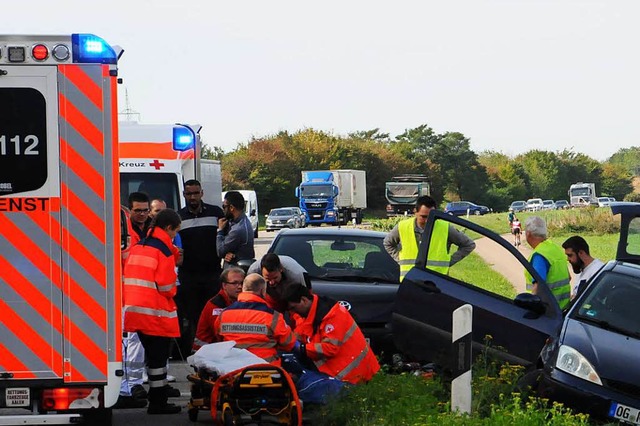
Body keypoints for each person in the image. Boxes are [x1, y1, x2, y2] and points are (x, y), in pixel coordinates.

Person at [123, 209, 182, 415]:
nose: (175, 236)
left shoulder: (139, 246)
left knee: (150, 355)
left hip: (134, 312)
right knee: (158, 361)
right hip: (155, 313)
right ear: (168, 228)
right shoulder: (163, 251)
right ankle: (158, 402)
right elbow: (167, 287)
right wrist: (175, 286)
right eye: (175, 231)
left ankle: (157, 393)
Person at [283, 283, 380, 384]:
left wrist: (301, 348)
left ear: (304, 300)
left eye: (293, 308)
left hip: (356, 377)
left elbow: (330, 348)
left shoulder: (332, 314)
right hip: (342, 377)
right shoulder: (310, 313)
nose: (293, 312)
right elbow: (302, 330)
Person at [176, 179, 225, 358]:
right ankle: (195, 353)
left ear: (202, 193)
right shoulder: (179, 217)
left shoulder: (215, 213)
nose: (193, 197)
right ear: (184, 195)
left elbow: (226, 237)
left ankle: (216, 351)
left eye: (196, 193)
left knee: (215, 314)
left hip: (212, 274)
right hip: (189, 276)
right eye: (189, 194)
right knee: (192, 316)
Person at [383, 195, 476, 281]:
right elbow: (387, 243)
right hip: (411, 281)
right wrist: (401, 259)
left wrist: (449, 262)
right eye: (423, 217)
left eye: (431, 216)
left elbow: (468, 245)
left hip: (437, 282)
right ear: (415, 211)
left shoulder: (445, 228)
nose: (427, 220)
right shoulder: (403, 227)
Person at [215, 273, 296, 366]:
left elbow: (219, 338)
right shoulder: (273, 316)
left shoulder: (224, 314)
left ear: (243, 289)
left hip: (231, 370)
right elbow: (289, 343)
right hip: (266, 370)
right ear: (262, 291)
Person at [192, 266, 246, 352]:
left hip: (219, 349)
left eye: (242, 283)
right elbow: (221, 334)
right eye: (234, 283)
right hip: (206, 351)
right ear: (224, 285)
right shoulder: (216, 305)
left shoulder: (238, 301)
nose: (239, 286)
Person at [524, 216, 571, 309]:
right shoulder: (555, 249)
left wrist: (530, 309)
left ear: (528, 234)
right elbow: (569, 277)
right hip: (564, 309)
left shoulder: (539, 255)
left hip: (547, 312)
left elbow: (538, 286)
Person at [217, 191, 255, 268]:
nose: (223, 210)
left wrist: (220, 230)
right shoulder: (241, 221)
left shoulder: (237, 229)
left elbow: (220, 251)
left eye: (224, 206)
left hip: (235, 271)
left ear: (231, 208)